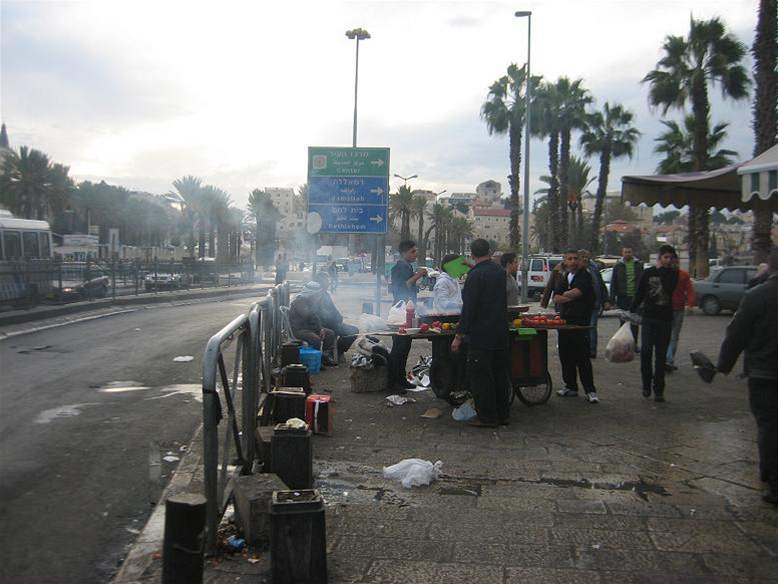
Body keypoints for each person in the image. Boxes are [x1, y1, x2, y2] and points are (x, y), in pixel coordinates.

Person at [716, 248, 778, 505]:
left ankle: (773, 480)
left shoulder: (757, 296)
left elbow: (736, 334)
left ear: (769, 266)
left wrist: (723, 366)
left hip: (765, 372)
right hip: (766, 371)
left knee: (769, 426)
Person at [451, 239, 510, 427]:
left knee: (481, 379)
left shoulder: (475, 276)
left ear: (472, 253)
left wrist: (458, 336)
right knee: (500, 376)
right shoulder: (499, 272)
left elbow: (469, 308)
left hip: (481, 336)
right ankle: (503, 415)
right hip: (500, 333)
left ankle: (487, 418)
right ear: (490, 252)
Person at [630, 245, 678, 402]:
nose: (668, 260)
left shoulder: (673, 273)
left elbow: (669, 289)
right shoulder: (648, 273)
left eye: (671, 258)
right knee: (646, 351)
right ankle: (646, 384)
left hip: (665, 319)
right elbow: (640, 292)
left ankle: (658, 389)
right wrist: (632, 309)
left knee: (660, 356)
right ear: (659, 258)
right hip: (649, 317)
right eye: (666, 257)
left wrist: (664, 270)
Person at [553, 249, 600, 404]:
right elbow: (556, 298)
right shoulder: (564, 277)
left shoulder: (585, 276)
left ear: (580, 261)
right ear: (564, 261)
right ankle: (570, 386)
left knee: (582, 357)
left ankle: (590, 390)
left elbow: (577, 293)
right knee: (566, 356)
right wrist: (567, 295)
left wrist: (566, 295)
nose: (572, 261)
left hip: (580, 323)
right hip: (565, 321)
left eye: (575, 258)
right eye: (569, 259)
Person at [388, 240, 427, 392]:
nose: (415, 254)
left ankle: (401, 379)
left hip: (408, 310)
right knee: (399, 347)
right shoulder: (399, 267)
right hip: (400, 312)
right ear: (404, 253)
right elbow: (403, 286)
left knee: (405, 347)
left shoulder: (407, 266)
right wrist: (418, 275)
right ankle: (393, 382)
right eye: (412, 251)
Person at [288, 282, 337, 367]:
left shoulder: (310, 302)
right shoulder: (299, 301)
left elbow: (315, 318)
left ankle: (324, 357)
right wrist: (318, 329)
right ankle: (315, 360)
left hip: (309, 328)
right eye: (316, 294)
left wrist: (320, 328)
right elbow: (308, 315)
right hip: (299, 329)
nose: (318, 296)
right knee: (315, 339)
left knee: (330, 333)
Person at [313, 273, 359, 356]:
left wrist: (339, 318)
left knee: (354, 330)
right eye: (326, 281)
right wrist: (335, 321)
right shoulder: (316, 297)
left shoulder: (326, 295)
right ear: (321, 283)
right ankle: (334, 353)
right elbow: (320, 315)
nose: (328, 283)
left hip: (333, 323)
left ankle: (337, 352)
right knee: (353, 331)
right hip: (325, 325)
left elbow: (334, 310)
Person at [665, 252, 696, 372]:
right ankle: (668, 359)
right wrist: (690, 304)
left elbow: (690, 290)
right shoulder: (681, 275)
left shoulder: (683, 275)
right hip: (671, 308)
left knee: (671, 336)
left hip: (675, 308)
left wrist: (690, 304)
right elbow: (690, 291)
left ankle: (668, 359)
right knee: (673, 336)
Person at [611, 247, 643, 351]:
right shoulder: (618, 266)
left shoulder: (638, 265)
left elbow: (643, 281)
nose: (627, 254)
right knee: (623, 322)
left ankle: (634, 344)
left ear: (632, 253)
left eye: (629, 252)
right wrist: (612, 298)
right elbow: (614, 282)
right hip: (622, 297)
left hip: (635, 297)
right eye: (625, 252)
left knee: (634, 322)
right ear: (622, 253)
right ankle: (623, 344)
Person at [578, 249, 609, 358]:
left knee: (592, 327)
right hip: (581, 305)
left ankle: (592, 351)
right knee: (583, 328)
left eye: (587, 256)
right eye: (583, 256)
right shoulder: (577, 269)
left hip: (594, 304)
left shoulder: (594, 268)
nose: (585, 258)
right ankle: (583, 349)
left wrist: (605, 301)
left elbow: (600, 285)